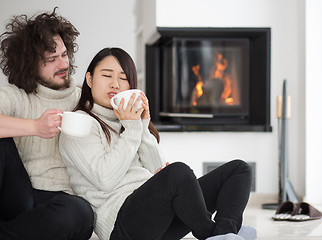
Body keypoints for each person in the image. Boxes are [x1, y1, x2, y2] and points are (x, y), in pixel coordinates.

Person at [59, 47, 252, 240]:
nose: (115, 84)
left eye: (123, 78)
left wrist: (142, 125)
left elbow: (156, 170)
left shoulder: (129, 123)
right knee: (179, 172)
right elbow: (105, 179)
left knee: (238, 170)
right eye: (107, 75)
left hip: (159, 218)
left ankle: (225, 234)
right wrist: (133, 129)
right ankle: (210, 233)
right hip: (122, 224)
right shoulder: (79, 124)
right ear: (90, 80)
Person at [0, 8, 94, 240]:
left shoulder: (83, 98)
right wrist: (34, 127)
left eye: (64, 54)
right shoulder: (16, 95)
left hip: (58, 201)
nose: (63, 63)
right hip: (17, 195)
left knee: (82, 212)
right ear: (30, 65)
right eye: (52, 59)